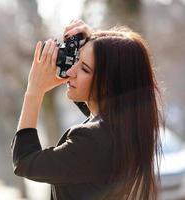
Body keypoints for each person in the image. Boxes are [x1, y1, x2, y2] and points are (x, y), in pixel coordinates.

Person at [11, 19, 163, 200]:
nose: (71, 71)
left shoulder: (93, 139)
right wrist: (97, 41)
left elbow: (25, 161)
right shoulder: (125, 130)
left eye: (84, 68)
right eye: (77, 60)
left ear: (108, 84)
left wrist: (34, 91)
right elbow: (96, 111)